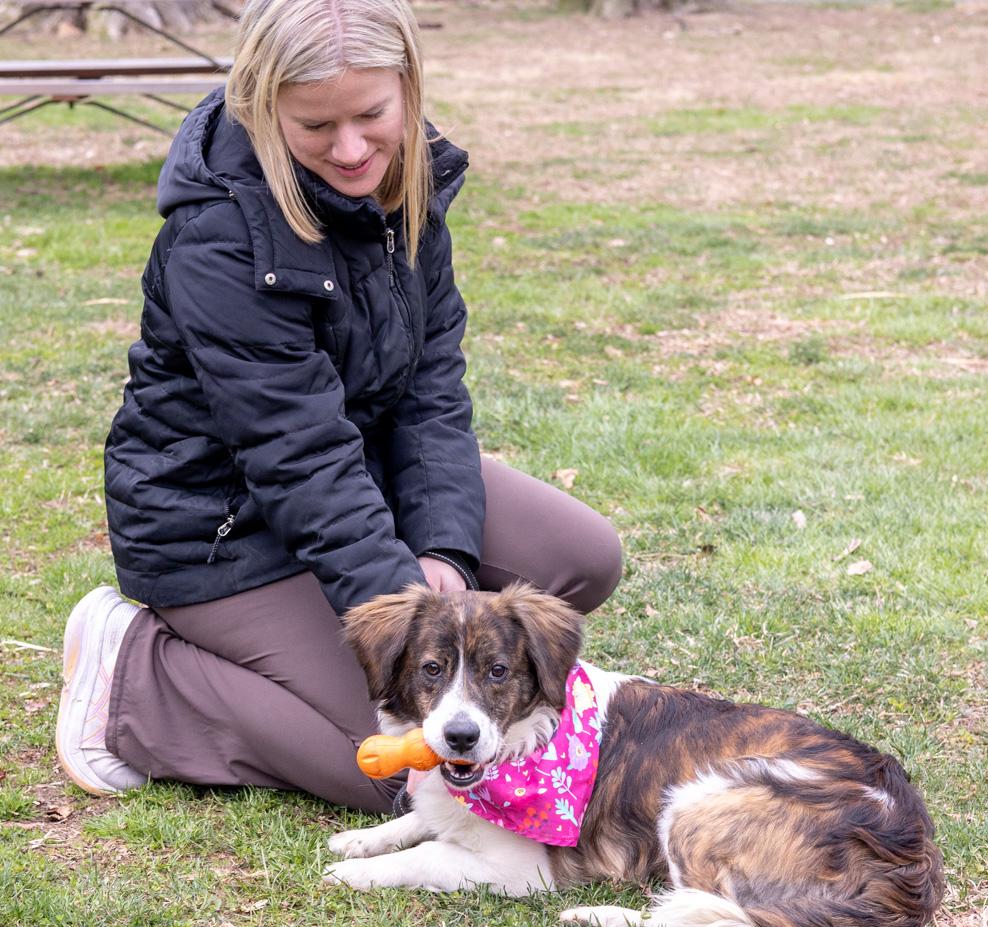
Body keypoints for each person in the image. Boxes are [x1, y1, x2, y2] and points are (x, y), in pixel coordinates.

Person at [55, 0, 622, 815]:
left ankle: (342, 642)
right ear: (261, 106)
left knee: (580, 557)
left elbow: (431, 388)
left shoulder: (411, 184)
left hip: (361, 482)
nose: (351, 149)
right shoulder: (221, 235)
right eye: (316, 125)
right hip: (221, 529)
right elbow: (298, 456)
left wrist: (444, 550)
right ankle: (138, 677)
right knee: (402, 767)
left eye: (371, 115)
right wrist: (410, 607)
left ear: (409, 89)